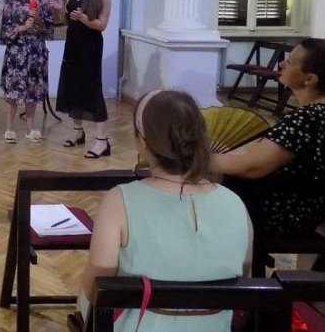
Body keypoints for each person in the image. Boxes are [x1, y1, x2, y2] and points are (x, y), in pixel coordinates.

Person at [79, 89, 252, 332]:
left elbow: (96, 287)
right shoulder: (235, 203)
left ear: (142, 141)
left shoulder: (119, 201)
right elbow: (242, 277)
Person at [212, 38, 325, 237]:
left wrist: (198, 159)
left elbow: (250, 168)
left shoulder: (305, 119)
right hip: (311, 209)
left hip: (282, 213)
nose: (281, 64)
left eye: (289, 62)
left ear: (309, 79)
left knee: (198, 191)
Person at [49, 0, 113, 158]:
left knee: (93, 90)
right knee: (72, 86)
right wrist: (59, 9)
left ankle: (102, 141)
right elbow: (66, 20)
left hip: (90, 48)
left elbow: (102, 25)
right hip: (72, 45)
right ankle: (78, 132)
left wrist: (84, 18)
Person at [0, 0, 53, 143]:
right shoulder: (10, 1)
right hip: (17, 52)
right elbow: (4, 31)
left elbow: (49, 29)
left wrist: (37, 19)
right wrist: (21, 28)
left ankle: (31, 129)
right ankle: (9, 128)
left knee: (33, 90)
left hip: (36, 51)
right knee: (13, 92)